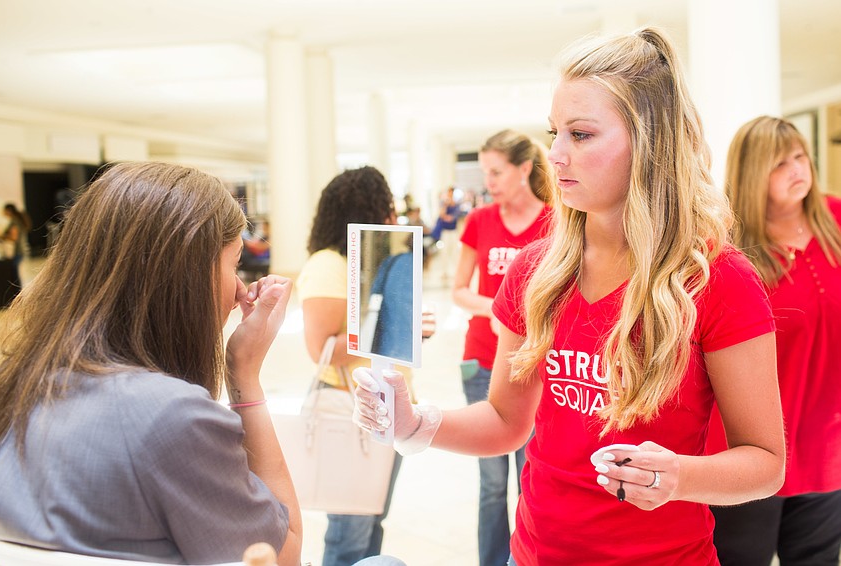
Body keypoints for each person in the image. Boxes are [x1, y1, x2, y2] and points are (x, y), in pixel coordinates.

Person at [353, 27, 785, 565]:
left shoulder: (718, 279)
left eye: (580, 135)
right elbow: (507, 421)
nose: (554, 155)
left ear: (651, 143)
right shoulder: (538, 272)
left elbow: (766, 464)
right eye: (554, 131)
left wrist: (680, 476)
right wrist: (416, 424)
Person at [0, 162, 303, 565]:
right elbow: (287, 552)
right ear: (189, 275)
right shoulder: (174, 418)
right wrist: (244, 375)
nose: (240, 289)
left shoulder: (11, 382)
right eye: (234, 264)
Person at [706, 116, 841, 566]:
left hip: (827, 446)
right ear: (752, 173)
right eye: (780, 163)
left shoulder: (836, 221)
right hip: (749, 451)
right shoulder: (726, 252)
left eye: (801, 157)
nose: (797, 169)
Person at [297, 166, 408, 566]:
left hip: (386, 406)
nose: (392, 218)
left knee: (374, 520)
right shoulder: (329, 264)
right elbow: (321, 346)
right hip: (350, 404)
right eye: (386, 208)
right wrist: (391, 322)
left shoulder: (373, 263)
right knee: (350, 531)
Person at [452, 129, 554, 566]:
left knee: (531, 476)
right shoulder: (479, 221)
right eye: (485, 172)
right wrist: (495, 310)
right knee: (492, 483)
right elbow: (459, 289)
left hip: (536, 365)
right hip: (481, 360)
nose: (489, 181)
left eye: (497, 171)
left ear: (524, 169)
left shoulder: (556, 219)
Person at [0, 203, 31, 288]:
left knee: (14, 274)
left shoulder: (14, 221)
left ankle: (16, 293)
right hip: (20, 250)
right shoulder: (18, 220)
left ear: (9, 210)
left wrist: (2, 236)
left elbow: (14, 237)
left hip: (17, 251)